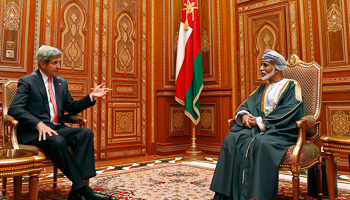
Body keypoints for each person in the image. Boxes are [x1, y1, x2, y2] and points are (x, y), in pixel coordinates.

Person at [8, 45, 115, 200]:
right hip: (35, 131)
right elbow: (15, 109)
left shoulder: (61, 83)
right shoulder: (27, 82)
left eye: (59, 62)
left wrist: (91, 97)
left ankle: (76, 192)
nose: (59, 66)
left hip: (56, 127)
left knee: (85, 133)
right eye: (55, 63)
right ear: (42, 64)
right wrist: (38, 124)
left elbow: (70, 108)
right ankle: (85, 191)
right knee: (58, 141)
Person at [210, 49, 305, 200]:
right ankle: (227, 194)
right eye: (261, 65)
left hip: (281, 131)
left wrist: (261, 122)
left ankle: (257, 195)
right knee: (232, 138)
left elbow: (291, 110)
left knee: (260, 143)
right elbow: (246, 105)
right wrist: (245, 116)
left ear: (277, 67)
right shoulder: (263, 87)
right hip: (260, 129)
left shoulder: (291, 86)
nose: (261, 69)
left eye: (265, 65)